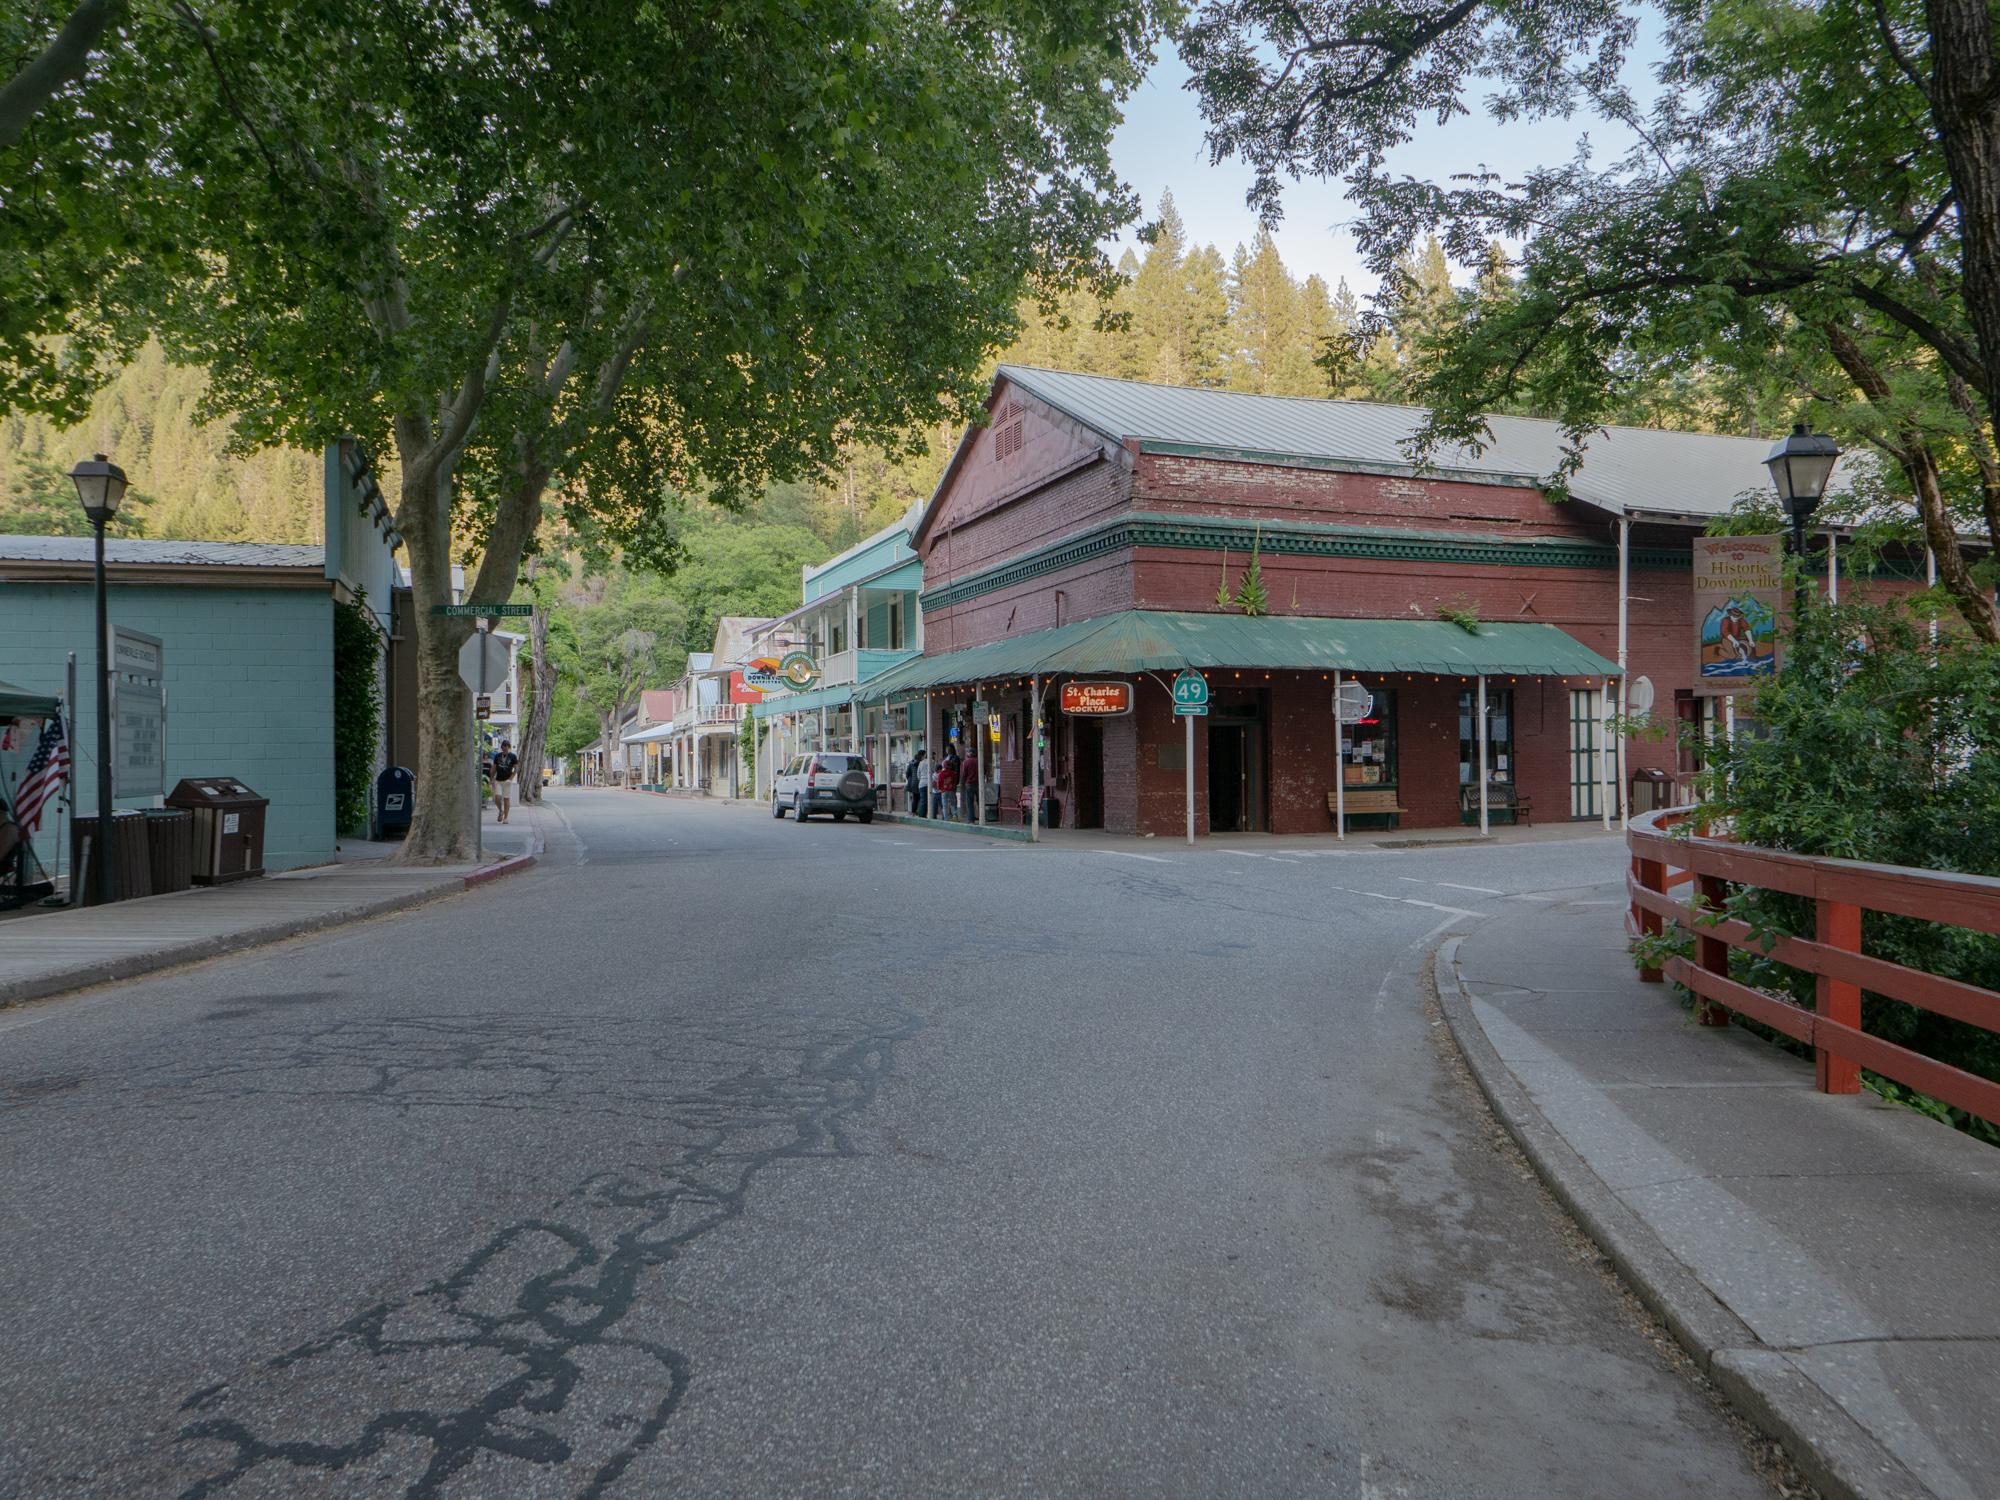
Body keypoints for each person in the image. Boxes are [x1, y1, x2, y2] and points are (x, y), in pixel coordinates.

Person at [490, 738, 519, 823]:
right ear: (501, 747)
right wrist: (491, 778)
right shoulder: (497, 756)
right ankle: (500, 810)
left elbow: (516, 769)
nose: (505, 748)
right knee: (497, 797)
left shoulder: (513, 756)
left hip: (507, 781)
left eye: (507, 746)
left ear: (509, 747)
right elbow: (494, 768)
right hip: (498, 780)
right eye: (503, 746)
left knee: (506, 799)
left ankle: (506, 818)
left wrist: (510, 779)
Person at [934, 747, 958, 820]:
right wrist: (953, 788)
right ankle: (955, 816)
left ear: (943, 766)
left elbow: (939, 782)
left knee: (944, 805)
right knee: (953, 804)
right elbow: (954, 781)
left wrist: (940, 789)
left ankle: (946, 818)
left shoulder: (941, 774)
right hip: (951, 790)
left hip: (944, 791)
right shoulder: (953, 773)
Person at [905, 749, 927, 817]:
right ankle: (921, 813)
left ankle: (913, 812)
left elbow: (907, 773)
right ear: (922, 755)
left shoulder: (911, 763)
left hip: (913, 783)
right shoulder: (922, 763)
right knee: (922, 799)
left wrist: (910, 780)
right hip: (921, 782)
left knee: (915, 798)